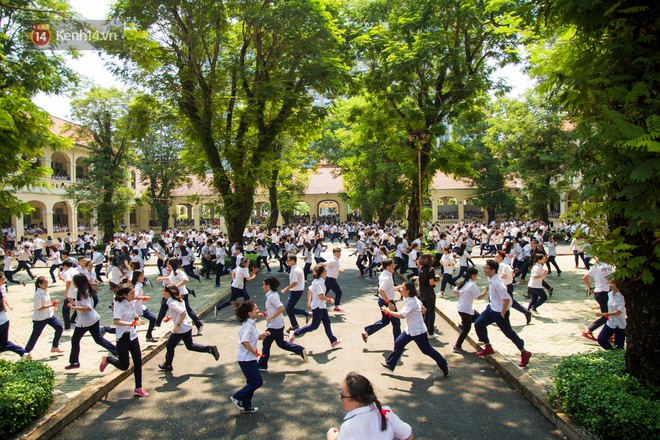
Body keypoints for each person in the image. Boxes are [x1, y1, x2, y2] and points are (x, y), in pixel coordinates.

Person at [381, 282, 449, 377]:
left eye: (402, 288)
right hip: (410, 329)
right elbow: (424, 309)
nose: (401, 289)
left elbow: (401, 315)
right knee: (399, 342)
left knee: (427, 350)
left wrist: (389, 312)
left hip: (418, 331)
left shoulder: (412, 301)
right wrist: (398, 288)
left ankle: (444, 364)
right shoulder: (410, 297)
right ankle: (390, 365)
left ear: (408, 291)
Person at [474, 260, 532, 367]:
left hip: (500, 312)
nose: (484, 270)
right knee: (478, 323)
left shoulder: (497, 282)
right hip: (491, 309)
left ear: (493, 270)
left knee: (509, 333)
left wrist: (502, 313)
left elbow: (506, 299)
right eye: (485, 268)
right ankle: (488, 347)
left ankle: (524, 352)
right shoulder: (491, 278)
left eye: (486, 268)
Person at [326, 372, 413, 440]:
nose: (341, 399)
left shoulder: (349, 427)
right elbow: (408, 436)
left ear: (357, 399)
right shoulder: (386, 412)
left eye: (342, 395)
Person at [99, 283, 149, 397]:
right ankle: (107, 359)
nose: (134, 295)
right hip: (122, 337)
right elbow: (116, 321)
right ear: (124, 295)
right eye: (131, 293)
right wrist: (131, 323)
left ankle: (138, 387)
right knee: (124, 366)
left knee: (138, 362)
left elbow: (133, 313)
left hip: (132, 335)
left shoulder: (130, 303)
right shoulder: (120, 306)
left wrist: (138, 319)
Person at [158, 285, 219, 371]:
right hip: (187, 326)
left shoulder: (171, 303)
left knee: (170, 346)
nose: (162, 292)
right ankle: (210, 349)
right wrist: (170, 317)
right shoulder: (179, 299)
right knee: (190, 346)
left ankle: (168, 365)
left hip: (181, 329)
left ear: (168, 292)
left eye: (163, 290)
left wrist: (177, 326)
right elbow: (180, 312)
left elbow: (183, 313)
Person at [65, 274, 117, 369]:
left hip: (86, 321)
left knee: (75, 340)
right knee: (98, 339)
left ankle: (75, 362)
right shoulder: (84, 291)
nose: (72, 283)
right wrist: (73, 303)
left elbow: (88, 308)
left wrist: (73, 307)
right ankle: (117, 352)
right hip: (93, 318)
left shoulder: (82, 293)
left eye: (74, 281)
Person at [258, 277, 307, 371]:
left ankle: (262, 364)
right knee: (281, 343)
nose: (262, 286)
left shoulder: (271, 296)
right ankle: (300, 350)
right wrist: (265, 313)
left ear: (268, 286)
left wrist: (271, 317)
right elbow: (273, 308)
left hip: (274, 325)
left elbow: (281, 308)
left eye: (263, 284)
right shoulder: (272, 294)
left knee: (266, 344)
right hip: (279, 324)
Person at [288, 263, 342, 348]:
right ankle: (295, 333)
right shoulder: (320, 282)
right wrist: (329, 300)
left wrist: (309, 303)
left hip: (321, 306)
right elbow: (320, 296)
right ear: (321, 273)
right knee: (314, 326)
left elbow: (310, 291)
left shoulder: (316, 281)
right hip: (318, 307)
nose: (326, 273)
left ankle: (333, 341)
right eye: (325, 271)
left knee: (327, 323)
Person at [231, 300, 269, 414]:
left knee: (251, 382)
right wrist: (253, 351)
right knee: (257, 382)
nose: (258, 311)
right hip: (245, 359)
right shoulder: (248, 325)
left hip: (249, 359)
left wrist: (265, 335)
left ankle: (247, 406)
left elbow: (258, 337)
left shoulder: (252, 322)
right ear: (249, 313)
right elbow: (244, 341)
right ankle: (237, 397)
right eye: (255, 309)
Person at [157, 258, 203, 335]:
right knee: (164, 305)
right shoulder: (173, 271)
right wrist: (162, 278)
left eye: (169, 264)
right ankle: (157, 323)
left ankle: (198, 324)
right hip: (175, 294)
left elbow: (185, 280)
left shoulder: (178, 271)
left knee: (187, 309)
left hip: (181, 294)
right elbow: (171, 278)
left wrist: (175, 287)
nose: (167, 265)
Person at [362, 258, 401, 344]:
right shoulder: (387, 277)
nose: (394, 266)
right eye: (392, 265)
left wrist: (395, 288)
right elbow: (381, 290)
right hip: (387, 301)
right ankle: (399, 343)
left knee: (385, 321)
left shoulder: (384, 274)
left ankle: (367, 332)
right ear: (388, 267)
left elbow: (385, 288)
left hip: (383, 300)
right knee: (396, 322)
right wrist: (389, 303)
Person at [24, 276, 64, 356]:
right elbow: (39, 307)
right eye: (44, 283)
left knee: (59, 328)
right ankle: (25, 352)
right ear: (39, 284)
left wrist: (52, 307)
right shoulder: (38, 294)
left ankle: (54, 346)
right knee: (35, 336)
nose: (46, 284)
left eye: (47, 282)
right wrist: (51, 305)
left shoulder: (45, 291)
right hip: (40, 318)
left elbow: (47, 304)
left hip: (49, 316)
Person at [452, 267, 485, 354]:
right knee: (467, 329)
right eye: (476, 275)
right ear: (473, 275)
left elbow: (454, 291)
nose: (477, 276)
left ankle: (463, 324)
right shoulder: (472, 284)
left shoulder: (464, 282)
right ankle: (457, 346)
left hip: (463, 308)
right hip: (465, 309)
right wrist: (486, 290)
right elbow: (479, 297)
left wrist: (462, 297)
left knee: (479, 318)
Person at [581, 261, 614, 341]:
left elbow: (584, 278)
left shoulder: (595, 266)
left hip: (598, 293)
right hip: (605, 293)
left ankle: (610, 333)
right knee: (607, 315)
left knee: (609, 314)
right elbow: (611, 280)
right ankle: (589, 330)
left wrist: (590, 288)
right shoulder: (608, 267)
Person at [0, 273, 30, 359]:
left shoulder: (2, 289)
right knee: (4, 343)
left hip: (2, 322)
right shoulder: (2, 290)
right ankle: (23, 352)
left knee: (4, 343)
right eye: (3, 278)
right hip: (4, 321)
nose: (4, 280)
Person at [280, 255, 311, 332]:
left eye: (288, 261)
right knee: (289, 308)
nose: (287, 262)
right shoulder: (297, 268)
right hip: (297, 290)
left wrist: (285, 289)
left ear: (293, 261)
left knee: (289, 308)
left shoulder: (295, 270)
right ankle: (295, 324)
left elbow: (294, 282)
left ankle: (305, 314)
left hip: (296, 291)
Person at [595, 279, 626, 350]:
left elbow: (618, 312)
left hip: (620, 324)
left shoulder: (622, 297)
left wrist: (603, 314)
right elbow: (610, 305)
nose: (609, 285)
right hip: (610, 322)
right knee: (601, 339)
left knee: (619, 347)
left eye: (612, 283)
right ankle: (611, 352)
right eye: (609, 283)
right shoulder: (609, 294)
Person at [416, 253, 438, 338]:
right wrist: (436, 282)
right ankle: (430, 332)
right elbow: (431, 282)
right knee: (431, 312)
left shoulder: (420, 269)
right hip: (429, 293)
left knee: (424, 312)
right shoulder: (430, 269)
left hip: (422, 292)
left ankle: (424, 330)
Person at [325, 247, 345, 313]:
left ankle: (317, 304)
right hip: (330, 279)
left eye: (340, 253)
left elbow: (334, 267)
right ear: (335, 253)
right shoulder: (332, 260)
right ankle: (336, 307)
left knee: (323, 293)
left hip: (330, 279)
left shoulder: (336, 260)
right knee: (338, 292)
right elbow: (325, 264)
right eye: (339, 253)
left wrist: (339, 270)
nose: (340, 254)